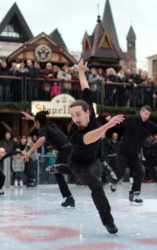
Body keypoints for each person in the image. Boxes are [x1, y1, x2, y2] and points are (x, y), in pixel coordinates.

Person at [49, 59, 124, 234]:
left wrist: (81, 72)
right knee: (96, 186)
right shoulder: (74, 133)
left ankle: (59, 168)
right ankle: (108, 221)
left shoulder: (88, 105)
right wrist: (106, 126)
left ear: (87, 112)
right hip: (77, 162)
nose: (75, 119)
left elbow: (85, 89)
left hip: (93, 160)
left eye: (78, 114)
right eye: (72, 116)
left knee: (94, 175)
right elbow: (89, 139)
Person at [22, 111, 75, 207]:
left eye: (35, 122)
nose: (35, 124)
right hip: (70, 147)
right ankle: (69, 197)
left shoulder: (43, 129)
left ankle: (69, 196)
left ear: (38, 122)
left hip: (64, 150)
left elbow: (42, 139)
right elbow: (39, 119)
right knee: (56, 170)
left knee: (56, 170)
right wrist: (30, 117)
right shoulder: (50, 123)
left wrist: (29, 152)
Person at [110, 105, 157, 204]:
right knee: (120, 173)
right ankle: (114, 183)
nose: (146, 116)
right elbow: (119, 123)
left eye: (148, 115)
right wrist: (111, 120)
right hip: (123, 153)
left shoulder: (148, 125)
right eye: (145, 114)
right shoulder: (131, 119)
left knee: (140, 172)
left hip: (134, 155)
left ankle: (134, 194)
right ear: (141, 112)